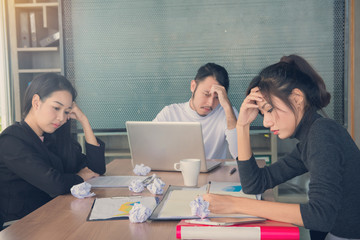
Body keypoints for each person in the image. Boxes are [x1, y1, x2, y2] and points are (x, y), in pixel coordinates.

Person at [203, 55, 360, 240]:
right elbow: (255, 183)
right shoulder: (310, 139)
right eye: (262, 114)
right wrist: (242, 126)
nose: (267, 122)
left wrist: (235, 204)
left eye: (269, 110)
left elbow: (320, 216)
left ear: (296, 98)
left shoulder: (322, 134)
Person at [0, 73, 106, 229]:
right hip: (21, 226)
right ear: (36, 102)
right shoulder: (11, 140)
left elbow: (96, 169)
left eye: (66, 111)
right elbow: (54, 184)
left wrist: (84, 121)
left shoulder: (52, 137)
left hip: (55, 217)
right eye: (56, 108)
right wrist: (79, 176)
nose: (61, 118)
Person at [153, 63, 238, 159]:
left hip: (215, 174)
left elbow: (239, 154)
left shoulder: (228, 113)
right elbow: (148, 148)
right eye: (206, 94)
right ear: (193, 86)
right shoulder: (170, 114)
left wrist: (227, 107)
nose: (210, 103)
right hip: (176, 171)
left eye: (217, 98)